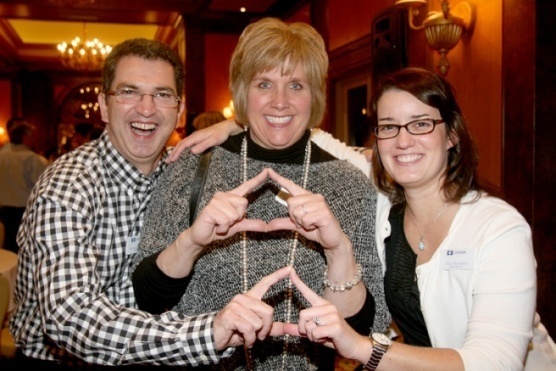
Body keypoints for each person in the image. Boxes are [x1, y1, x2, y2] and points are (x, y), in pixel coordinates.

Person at [9, 37, 292, 369]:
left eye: (161, 95)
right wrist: (207, 333)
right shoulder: (69, 185)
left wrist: (237, 124)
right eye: (128, 92)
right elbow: (70, 318)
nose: (146, 109)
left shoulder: (180, 170)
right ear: (103, 105)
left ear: (179, 109)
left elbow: (302, 130)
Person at [131, 17, 390, 370]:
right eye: (264, 84)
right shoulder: (193, 169)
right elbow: (145, 298)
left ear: (315, 94)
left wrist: (338, 249)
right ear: (242, 92)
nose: (280, 101)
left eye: (296, 85)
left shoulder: (349, 183)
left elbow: (366, 330)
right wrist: (192, 241)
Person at [278, 67, 556, 370]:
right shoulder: (383, 203)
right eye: (388, 127)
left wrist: (361, 347)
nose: (403, 141)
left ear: (451, 135)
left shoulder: (499, 229)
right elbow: (319, 142)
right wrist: (235, 124)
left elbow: (495, 363)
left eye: (420, 124)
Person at [0, 117, 49, 252]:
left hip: (4, 210)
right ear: (25, 137)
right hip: (23, 211)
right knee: (23, 250)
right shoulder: (31, 158)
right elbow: (44, 185)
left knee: (7, 246)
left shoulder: (2, 155)